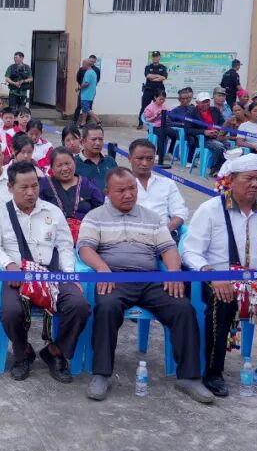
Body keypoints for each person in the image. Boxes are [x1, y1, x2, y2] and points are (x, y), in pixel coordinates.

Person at [78, 168, 213, 404]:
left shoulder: (152, 217)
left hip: (150, 279)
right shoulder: (95, 216)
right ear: (107, 192)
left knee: (183, 309)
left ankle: (189, 377)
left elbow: (168, 249)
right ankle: (102, 374)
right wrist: (102, 269)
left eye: (132, 189)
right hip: (116, 279)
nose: (129, 194)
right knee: (107, 308)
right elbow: (85, 248)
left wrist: (174, 273)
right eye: (121, 190)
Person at [183, 154, 257, 399]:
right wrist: (211, 274)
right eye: (249, 178)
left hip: (256, 281)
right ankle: (213, 370)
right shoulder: (211, 209)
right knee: (222, 299)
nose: (256, 184)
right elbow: (191, 252)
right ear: (231, 180)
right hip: (218, 278)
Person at [0, 160, 90, 383]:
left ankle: (56, 352)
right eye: (24, 187)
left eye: (34, 186)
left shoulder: (53, 211)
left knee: (79, 305)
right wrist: (8, 265)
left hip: (51, 274)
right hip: (18, 274)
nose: (31, 192)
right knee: (10, 312)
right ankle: (23, 352)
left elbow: (65, 246)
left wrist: (69, 274)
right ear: (10, 187)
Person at [128, 139, 187, 239]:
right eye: (140, 158)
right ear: (129, 158)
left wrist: (165, 230)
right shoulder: (120, 186)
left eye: (150, 158)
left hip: (164, 236)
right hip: (132, 238)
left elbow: (180, 213)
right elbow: (112, 214)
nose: (145, 163)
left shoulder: (167, 184)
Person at [39, 148, 103, 238]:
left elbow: (100, 211)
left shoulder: (88, 185)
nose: (65, 168)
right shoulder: (43, 184)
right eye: (59, 165)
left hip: (85, 237)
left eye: (67, 163)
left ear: (74, 163)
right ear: (52, 168)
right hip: (51, 236)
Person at [184, 92, 227, 174]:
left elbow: (222, 123)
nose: (206, 104)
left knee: (230, 147)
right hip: (202, 139)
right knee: (219, 147)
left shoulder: (215, 110)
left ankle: (224, 169)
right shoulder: (191, 113)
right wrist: (204, 132)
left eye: (207, 101)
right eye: (203, 102)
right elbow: (188, 130)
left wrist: (218, 131)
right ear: (197, 102)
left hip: (217, 136)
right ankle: (215, 169)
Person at [75, 125, 117, 192]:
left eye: (100, 139)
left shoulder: (110, 161)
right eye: (93, 139)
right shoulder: (74, 164)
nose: (98, 143)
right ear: (83, 141)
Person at [139, 51, 168, 130]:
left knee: (160, 107)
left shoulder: (163, 67)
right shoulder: (148, 67)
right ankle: (140, 123)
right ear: (152, 58)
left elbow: (163, 77)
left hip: (159, 91)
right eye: (154, 57)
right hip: (148, 90)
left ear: (159, 57)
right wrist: (158, 76)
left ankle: (159, 123)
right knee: (144, 106)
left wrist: (154, 78)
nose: (155, 58)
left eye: (157, 56)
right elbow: (148, 76)